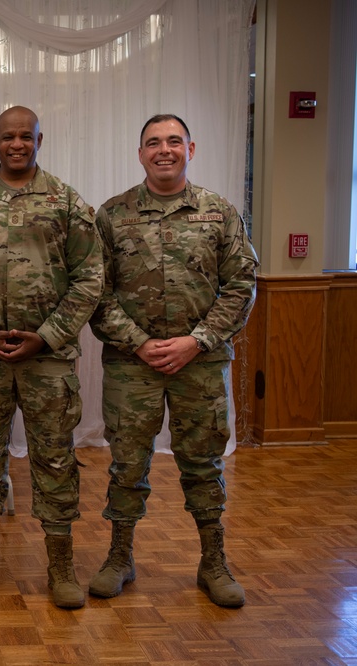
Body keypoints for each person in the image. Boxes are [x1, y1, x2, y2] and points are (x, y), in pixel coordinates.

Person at [0, 106, 103, 609]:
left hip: (47, 359)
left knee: (54, 459)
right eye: (8, 136)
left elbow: (90, 276)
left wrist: (47, 336)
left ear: (39, 140)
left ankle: (61, 566)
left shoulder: (66, 202)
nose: (16, 144)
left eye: (25, 137)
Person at [88, 114, 257, 608]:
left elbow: (241, 286)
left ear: (191, 149)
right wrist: (138, 341)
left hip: (200, 364)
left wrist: (197, 340)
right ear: (140, 153)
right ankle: (119, 557)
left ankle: (213, 562)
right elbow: (95, 291)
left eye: (174, 142)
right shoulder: (112, 215)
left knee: (202, 464)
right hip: (130, 364)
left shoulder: (219, 212)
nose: (165, 150)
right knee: (126, 465)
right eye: (154, 143)